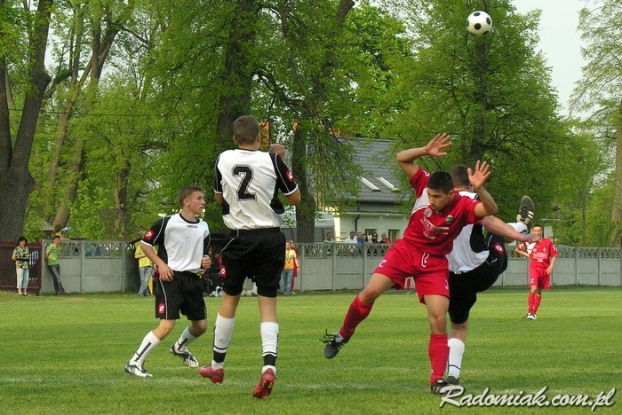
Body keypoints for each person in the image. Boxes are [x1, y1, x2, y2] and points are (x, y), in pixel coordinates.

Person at [321, 133, 497, 395]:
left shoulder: (463, 205)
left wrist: (480, 187)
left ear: (451, 194)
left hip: (435, 263)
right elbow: (401, 158)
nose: (432, 200)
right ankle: (343, 334)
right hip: (406, 250)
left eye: (437, 197)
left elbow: (490, 209)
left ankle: (437, 380)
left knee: (438, 319)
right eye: (430, 195)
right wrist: (425, 150)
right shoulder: (424, 184)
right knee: (369, 292)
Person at [200, 114, 301, 399]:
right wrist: (280, 161)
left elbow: (220, 198)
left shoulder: (224, 159)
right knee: (267, 302)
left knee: (229, 299)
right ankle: (268, 366)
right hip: (271, 238)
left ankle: (217, 365)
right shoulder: (272, 161)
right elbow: (295, 198)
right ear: (261, 136)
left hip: (240, 237)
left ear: (234, 139)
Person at [445, 166, 538, 385]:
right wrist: (518, 236)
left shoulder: (435, 202)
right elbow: (490, 220)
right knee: (497, 235)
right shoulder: (471, 198)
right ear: (469, 183)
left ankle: (452, 374)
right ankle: (522, 225)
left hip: (452, 278)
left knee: (458, 326)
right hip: (482, 270)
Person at [124, 186, 212, 378]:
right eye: (199, 198)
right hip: (170, 278)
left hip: (192, 279)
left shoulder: (203, 227)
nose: (203, 202)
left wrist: (206, 262)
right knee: (166, 326)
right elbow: (145, 244)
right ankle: (135, 362)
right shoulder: (167, 223)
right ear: (186, 201)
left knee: (201, 327)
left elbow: (205, 256)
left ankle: (179, 347)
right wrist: (161, 265)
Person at [516, 224, 558, 320]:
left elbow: (554, 254)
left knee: (539, 291)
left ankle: (534, 313)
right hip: (534, 267)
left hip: (545, 269)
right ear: (533, 232)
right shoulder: (530, 242)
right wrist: (528, 255)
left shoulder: (548, 242)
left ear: (541, 231)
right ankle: (529, 312)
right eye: (535, 230)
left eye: (539, 230)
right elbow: (517, 249)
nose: (537, 232)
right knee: (533, 288)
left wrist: (551, 266)